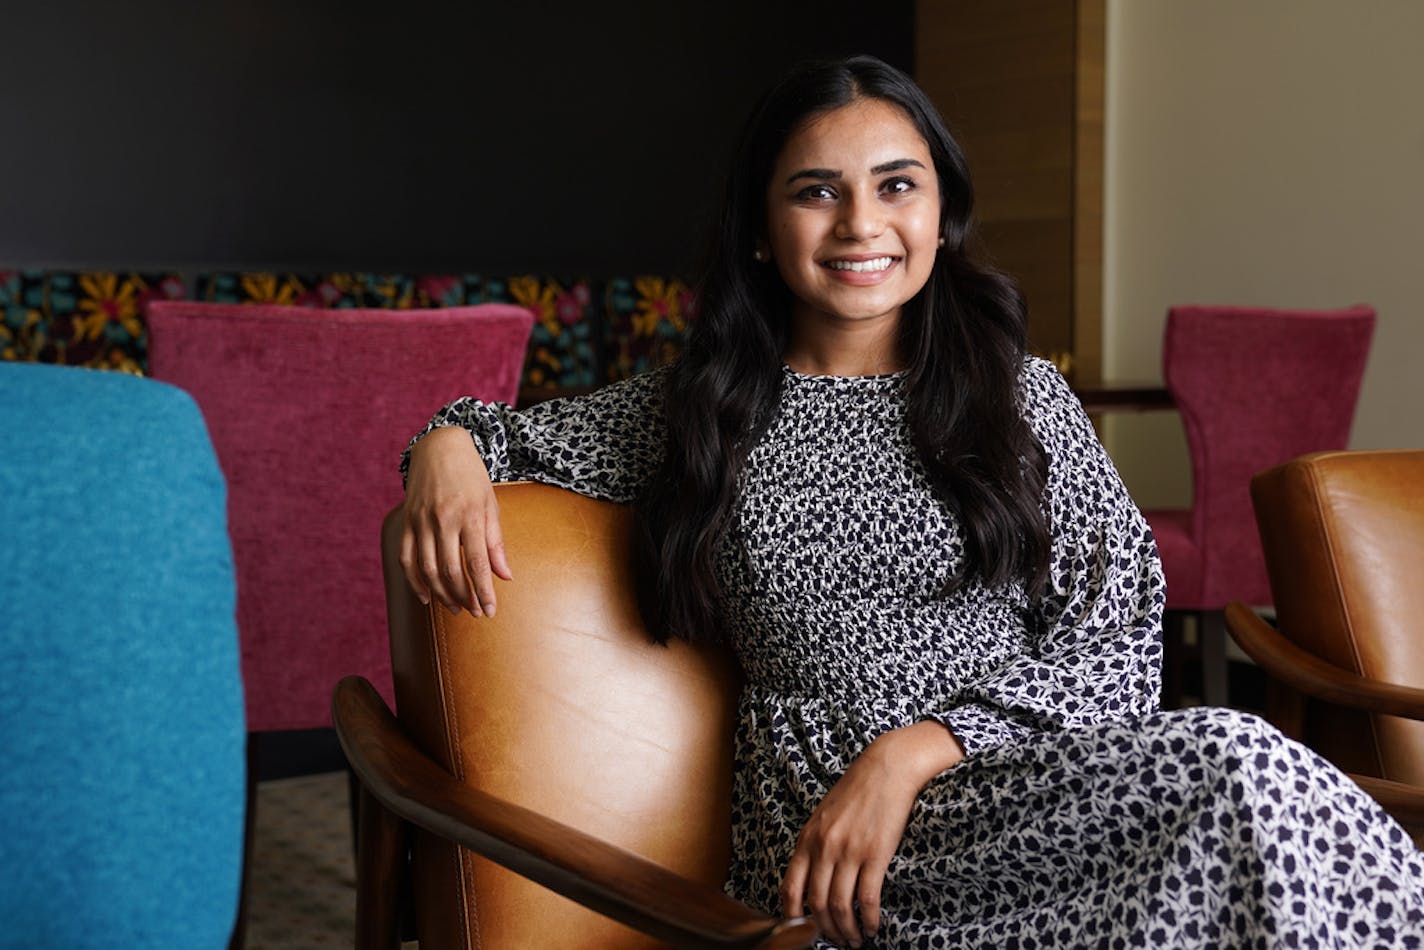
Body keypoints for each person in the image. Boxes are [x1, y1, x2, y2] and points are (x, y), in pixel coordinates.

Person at [399, 55, 1424, 949]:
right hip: (838, 842)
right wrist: (441, 446)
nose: (861, 224)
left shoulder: (1018, 394)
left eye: (897, 185)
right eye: (815, 191)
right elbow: (493, 431)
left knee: (1250, 788)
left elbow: (1115, 632)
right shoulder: (701, 408)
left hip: (1022, 786)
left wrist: (912, 749)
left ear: (940, 213)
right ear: (761, 225)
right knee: (1240, 769)